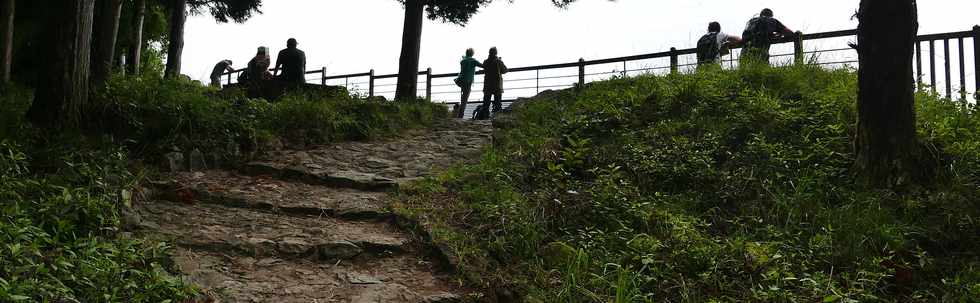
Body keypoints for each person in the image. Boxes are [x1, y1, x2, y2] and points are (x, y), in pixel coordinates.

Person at [479, 47, 508, 120]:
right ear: (496, 53)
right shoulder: (498, 61)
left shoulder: (485, 61)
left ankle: (485, 117)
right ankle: (496, 118)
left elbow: (484, 69)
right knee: (497, 103)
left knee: (486, 103)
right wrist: (500, 61)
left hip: (487, 85)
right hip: (497, 85)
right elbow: (505, 70)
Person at [457, 48, 483, 118]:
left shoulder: (463, 61)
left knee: (463, 97)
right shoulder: (473, 61)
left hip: (461, 80)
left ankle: (460, 114)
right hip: (468, 81)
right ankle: (460, 115)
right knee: (465, 98)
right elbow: (483, 65)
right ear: (472, 54)